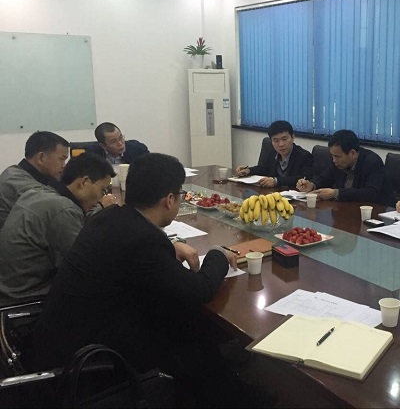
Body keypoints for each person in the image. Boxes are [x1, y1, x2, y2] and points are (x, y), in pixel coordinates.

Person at [30, 153, 258, 407]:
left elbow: (130, 257)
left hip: (62, 338)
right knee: (188, 330)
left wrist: (170, 248)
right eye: (180, 194)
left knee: (186, 321)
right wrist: (218, 253)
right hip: (91, 359)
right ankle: (235, 396)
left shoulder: (110, 217)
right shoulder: (143, 239)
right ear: (169, 200)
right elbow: (200, 289)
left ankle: (227, 382)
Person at [0, 153, 115, 306]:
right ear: (84, 182)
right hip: (27, 300)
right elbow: (85, 268)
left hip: (10, 289)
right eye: (103, 190)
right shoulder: (61, 209)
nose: (101, 198)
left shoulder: (39, 193)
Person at [0, 131, 70, 231]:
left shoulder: (24, 174)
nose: (64, 165)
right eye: (61, 159)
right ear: (41, 158)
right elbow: (56, 203)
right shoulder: (15, 179)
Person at [296, 129, 384, 202]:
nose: (334, 160)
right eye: (332, 156)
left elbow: (371, 193)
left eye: (337, 156)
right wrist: (312, 185)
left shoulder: (372, 162)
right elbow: (325, 178)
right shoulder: (336, 160)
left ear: (352, 153)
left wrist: (336, 193)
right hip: (343, 209)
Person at [235, 120, 313, 188]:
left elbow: (303, 178)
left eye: (284, 139)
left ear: (292, 137)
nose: (281, 144)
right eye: (276, 141)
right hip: (272, 194)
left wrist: (276, 181)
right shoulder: (272, 152)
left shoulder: (304, 156)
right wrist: (248, 170)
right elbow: (264, 169)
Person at [85, 121, 149, 164]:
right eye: (113, 141)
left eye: (121, 137)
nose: (120, 143)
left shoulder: (138, 149)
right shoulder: (93, 154)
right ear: (103, 146)